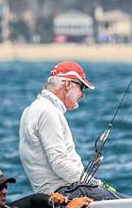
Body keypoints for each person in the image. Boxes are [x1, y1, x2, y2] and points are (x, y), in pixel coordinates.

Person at [19, 60, 122, 200]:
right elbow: (59, 163)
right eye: (82, 87)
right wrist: (95, 183)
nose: (83, 94)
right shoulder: (48, 111)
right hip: (65, 192)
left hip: (53, 194)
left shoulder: (32, 109)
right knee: (129, 203)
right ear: (68, 84)